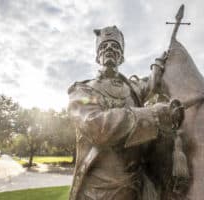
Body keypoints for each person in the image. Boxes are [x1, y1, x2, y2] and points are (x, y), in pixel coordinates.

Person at [68, 26, 183, 200]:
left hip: (137, 187)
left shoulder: (132, 88)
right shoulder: (82, 91)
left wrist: (159, 65)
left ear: (121, 57)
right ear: (97, 56)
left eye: (115, 47)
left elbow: (152, 83)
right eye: (104, 46)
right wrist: (153, 114)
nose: (109, 50)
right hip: (97, 192)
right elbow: (97, 127)